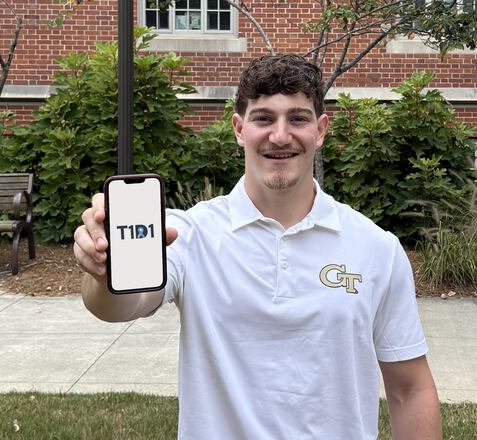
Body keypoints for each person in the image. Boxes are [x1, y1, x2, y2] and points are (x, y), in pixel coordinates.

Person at [74, 54, 442, 439]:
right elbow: (121, 305)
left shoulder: (376, 248)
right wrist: (103, 272)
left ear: (320, 130)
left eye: (297, 119)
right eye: (263, 118)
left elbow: (410, 389)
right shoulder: (189, 234)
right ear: (239, 129)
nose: (280, 136)